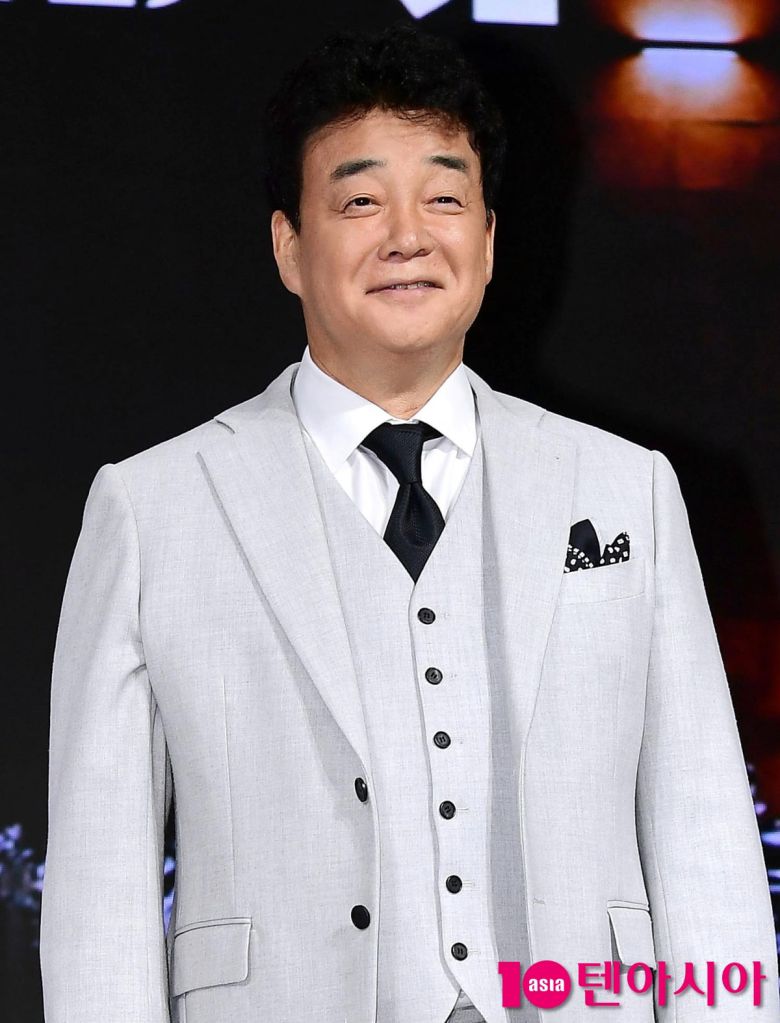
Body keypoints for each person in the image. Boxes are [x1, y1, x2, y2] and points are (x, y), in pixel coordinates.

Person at [39, 23, 778, 1023]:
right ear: (289, 247)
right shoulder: (153, 506)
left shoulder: (627, 489)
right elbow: (99, 894)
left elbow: (707, 844)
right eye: (359, 201)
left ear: (488, 242)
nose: (407, 236)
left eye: (443, 198)